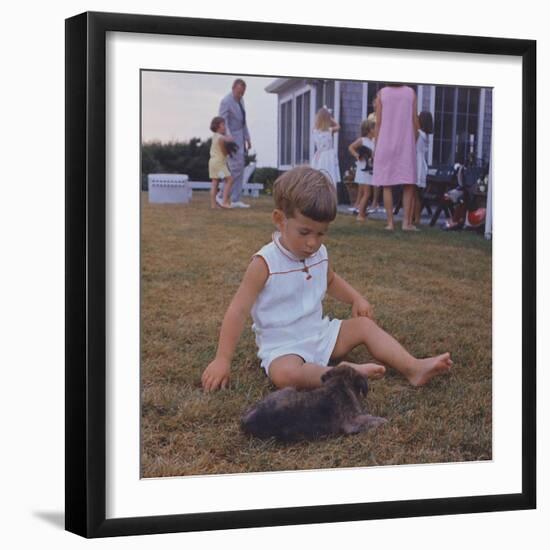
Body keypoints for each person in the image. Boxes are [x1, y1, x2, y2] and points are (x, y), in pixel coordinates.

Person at [201, 166, 453, 392]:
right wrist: (222, 359)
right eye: (304, 232)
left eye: (321, 233)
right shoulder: (264, 263)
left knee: (364, 326)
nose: (313, 242)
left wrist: (357, 298)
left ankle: (413, 368)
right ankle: (340, 374)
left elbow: (330, 280)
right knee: (284, 374)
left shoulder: (319, 253)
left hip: (321, 334)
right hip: (284, 347)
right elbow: (237, 310)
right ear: (280, 220)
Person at [372, 84, 420, 231]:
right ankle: (406, 223)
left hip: (385, 144)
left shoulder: (382, 94)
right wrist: (413, 139)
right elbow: (415, 122)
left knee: (387, 184)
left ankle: (390, 223)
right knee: (408, 183)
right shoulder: (411, 93)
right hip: (405, 143)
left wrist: (376, 146)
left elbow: (378, 123)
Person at [218, 78, 252, 208]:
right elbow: (222, 121)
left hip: (241, 138)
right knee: (234, 167)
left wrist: (247, 138)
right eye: (238, 92)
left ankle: (236, 199)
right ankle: (221, 196)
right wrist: (228, 137)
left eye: (242, 93)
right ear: (233, 89)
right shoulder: (226, 101)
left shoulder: (241, 101)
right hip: (230, 139)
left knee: (241, 167)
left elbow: (243, 121)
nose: (240, 95)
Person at [348, 117, 376, 222]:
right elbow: (350, 147)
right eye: (375, 128)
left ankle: (362, 213)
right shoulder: (362, 140)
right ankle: (360, 214)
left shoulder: (373, 141)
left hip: (369, 169)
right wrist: (357, 155)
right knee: (367, 193)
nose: (376, 130)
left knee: (367, 193)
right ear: (369, 130)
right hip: (363, 170)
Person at [411, 111, 434, 226]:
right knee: (416, 194)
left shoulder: (419, 133)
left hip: (416, 163)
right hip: (421, 164)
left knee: (412, 193)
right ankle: (416, 218)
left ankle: (412, 217)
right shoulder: (425, 135)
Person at [208, 116, 234, 209]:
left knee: (215, 182)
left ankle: (213, 205)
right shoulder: (221, 138)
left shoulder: (215, 136)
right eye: (223, 124)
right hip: (219, 164)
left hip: (212, 163)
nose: (225, 126)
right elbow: (225, 150)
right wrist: (229, 152)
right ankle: (224, 202)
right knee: (229, 180)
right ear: (218, 126)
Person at [311, 107, 341, 187]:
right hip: (329, 156)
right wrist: (331, 118)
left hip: (319, 156)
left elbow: (316, 125)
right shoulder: (329, 130)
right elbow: (338, 126)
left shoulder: (314, 130)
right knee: (330, 176)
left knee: (319, 177)